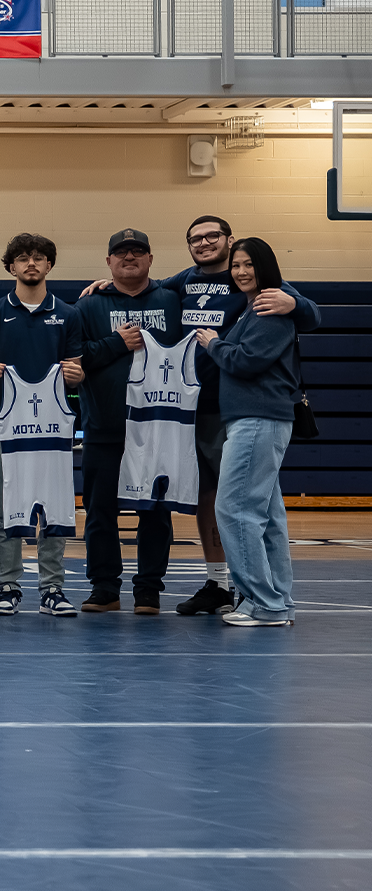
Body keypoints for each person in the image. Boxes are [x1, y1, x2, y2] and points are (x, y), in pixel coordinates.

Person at [147, 215, 314, 615]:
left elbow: (302, 318)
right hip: (205, 408)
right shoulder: (187, 281)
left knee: (236, 507)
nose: (204, 243)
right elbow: (148, 287)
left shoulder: (269, 299)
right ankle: (258, 592)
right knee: (258, 508)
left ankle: (260, 598)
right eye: (195, 238)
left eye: (212, 237)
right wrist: (109, 286)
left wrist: (294, 303)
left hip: (251, 411)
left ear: (229, 239)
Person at [194, 238, 303, 627]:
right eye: (236, 265)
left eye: (248, 265)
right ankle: (277, 601)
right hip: (255, 419)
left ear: (265, 267)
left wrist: (213, 344)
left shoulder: (270, 308)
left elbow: (248, 361)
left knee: (234, 508)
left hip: (258, 418)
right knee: (268, 516)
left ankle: (262, 602)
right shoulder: (251, 309)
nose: (240, 272)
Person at [75, 229, 186, 614]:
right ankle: (104, 588)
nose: (129, 257)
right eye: (121, 253)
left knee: (155, 511)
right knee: (100, 512)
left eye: (138, 251)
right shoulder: (89, 305)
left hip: (158, 428)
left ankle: (148, 591)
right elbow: (75, 359)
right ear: (108, 262)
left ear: (151, 259)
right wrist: (115, 343)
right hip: (105, 427)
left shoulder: (173, 300)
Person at [0, 233, 85, 617]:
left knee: (54, 510)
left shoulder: (69, 314)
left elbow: (76, 369)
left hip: (54, 428)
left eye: (39, 257)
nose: (31, 264)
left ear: (49, 265)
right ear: (11, 266)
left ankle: (52, 588)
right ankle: (8, 586)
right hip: (10, 427)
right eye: (23, 258)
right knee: (10, 510)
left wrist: (76, 375)